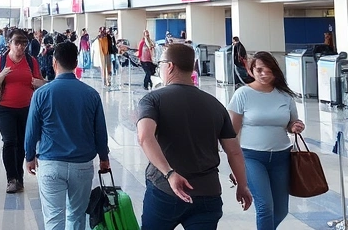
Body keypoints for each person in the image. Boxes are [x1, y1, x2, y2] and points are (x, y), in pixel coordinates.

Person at [137, 43, 252, 229]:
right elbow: (234, 152)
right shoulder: (215, 105)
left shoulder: (153, 100)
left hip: (165, 192)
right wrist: (242, 185)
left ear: (170, 66)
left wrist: (170, 174)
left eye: (161, 64)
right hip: (208, 194)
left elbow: (144, 136)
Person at [24, 41, 110, 230]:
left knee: (54, 219)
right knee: (77, 217)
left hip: (50, 164)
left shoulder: (41, 94)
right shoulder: (91, 94)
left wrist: (29, 156)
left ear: (54, 63)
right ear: (76, 63)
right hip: (82, 166)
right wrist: (104, 158)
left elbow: (32, 131)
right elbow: (100, 132)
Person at [227, 52, 305, 230]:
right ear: (252, 70)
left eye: (268, 70)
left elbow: (291, 123)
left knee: (281, 211)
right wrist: (235, 166)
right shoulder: (243, 94)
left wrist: (295, 126)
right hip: (252, 157)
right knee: (265, 207)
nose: (264, 74)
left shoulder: (285, 96)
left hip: (282, 157)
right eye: (259, 70)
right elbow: (232, 132)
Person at [0, 29, 46, 194]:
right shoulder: (1, 61)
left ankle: (19, 177)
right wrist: (3, 74)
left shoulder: (31, 61)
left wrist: (38, 83)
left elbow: (42, 83)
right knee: (9, 141)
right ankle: (11, 178)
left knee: (21, 143)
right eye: (17, 43)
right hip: (4, 108)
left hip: (27, 108)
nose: (21, 47)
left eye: (24, 43)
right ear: (9, 44)